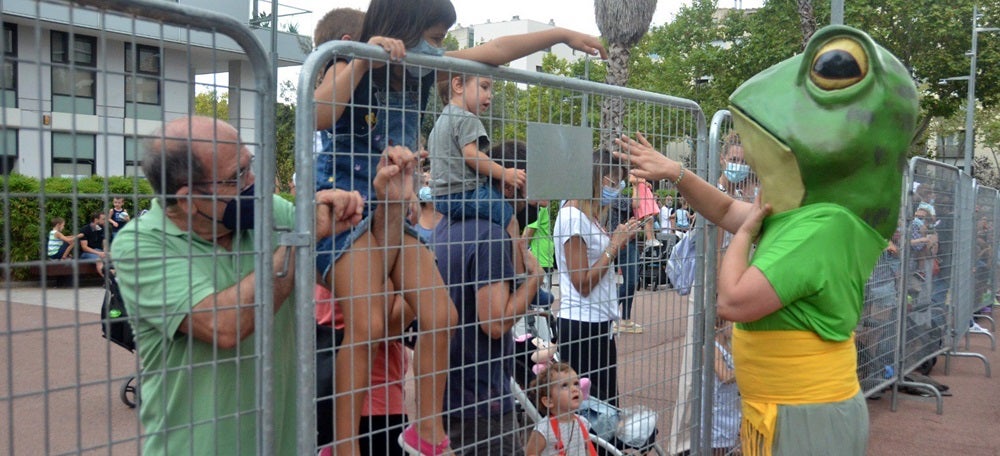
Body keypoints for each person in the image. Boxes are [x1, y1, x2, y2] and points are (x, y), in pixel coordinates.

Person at [311, 1, 606, 452]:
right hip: (347, 210)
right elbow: (318, 114)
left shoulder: (423, 69)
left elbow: (497, 49)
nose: (439, 48)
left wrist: (560, 34)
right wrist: (361, 59)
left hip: (392, 209)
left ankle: (426, 428)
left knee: (441, 314)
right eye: (433, 37)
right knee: (367, 323)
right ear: (399, 27)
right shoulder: (354, 63)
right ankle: (345, 445)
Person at [110, 116, 367, 455]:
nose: (253, 182)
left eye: (249, 166)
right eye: (237, 176)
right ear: (188, 199)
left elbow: (354, 285)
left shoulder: (268, 213)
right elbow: (225, 326)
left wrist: (382, 211)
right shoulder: (140, 244)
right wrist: (300, 237)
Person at [431, 139, 542, 455]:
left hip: (447, 389)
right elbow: (494, 323)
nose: (529, 199)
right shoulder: (490, 236)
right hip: (481, 399)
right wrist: (533, 281)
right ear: (510, 186)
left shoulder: (446, 224)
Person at [554, 150, 640, 405]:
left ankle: (601, 446)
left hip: (597, 322)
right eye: (612, 182)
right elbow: (581, 282)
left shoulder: (586, 216)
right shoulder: (572, 216)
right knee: (591, 409)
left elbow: (596, 260)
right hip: (582, 324)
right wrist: (613, 246)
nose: (615, 190)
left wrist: (616, 244)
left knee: (604, 405)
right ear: (596, 178)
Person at [524, 363, 598, 456]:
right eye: (565, 385)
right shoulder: (544, 429)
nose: (574, 389)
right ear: (549, 401)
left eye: (576, 383)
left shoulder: (583, 423)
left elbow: (589, 451)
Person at [711, 319, 740, 455]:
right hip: (716, 409)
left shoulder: (730, 346)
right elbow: (725, 377)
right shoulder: (713, 348)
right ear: (718, 326)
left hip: (729, 405)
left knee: (728, 444)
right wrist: (746, 367)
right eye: (733, 323)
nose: (736, 327)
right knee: (717, 446)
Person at [78, 211, 107, 276]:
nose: (105, 221)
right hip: (86, 253)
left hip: (99, 251)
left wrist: (105, 250)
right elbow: (84, 248)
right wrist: (99, 253)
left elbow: (104, 241)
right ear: (96, 220)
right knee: (98, 260)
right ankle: (108, 280)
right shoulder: (85, 230)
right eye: (103, 219)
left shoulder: (102, 228)